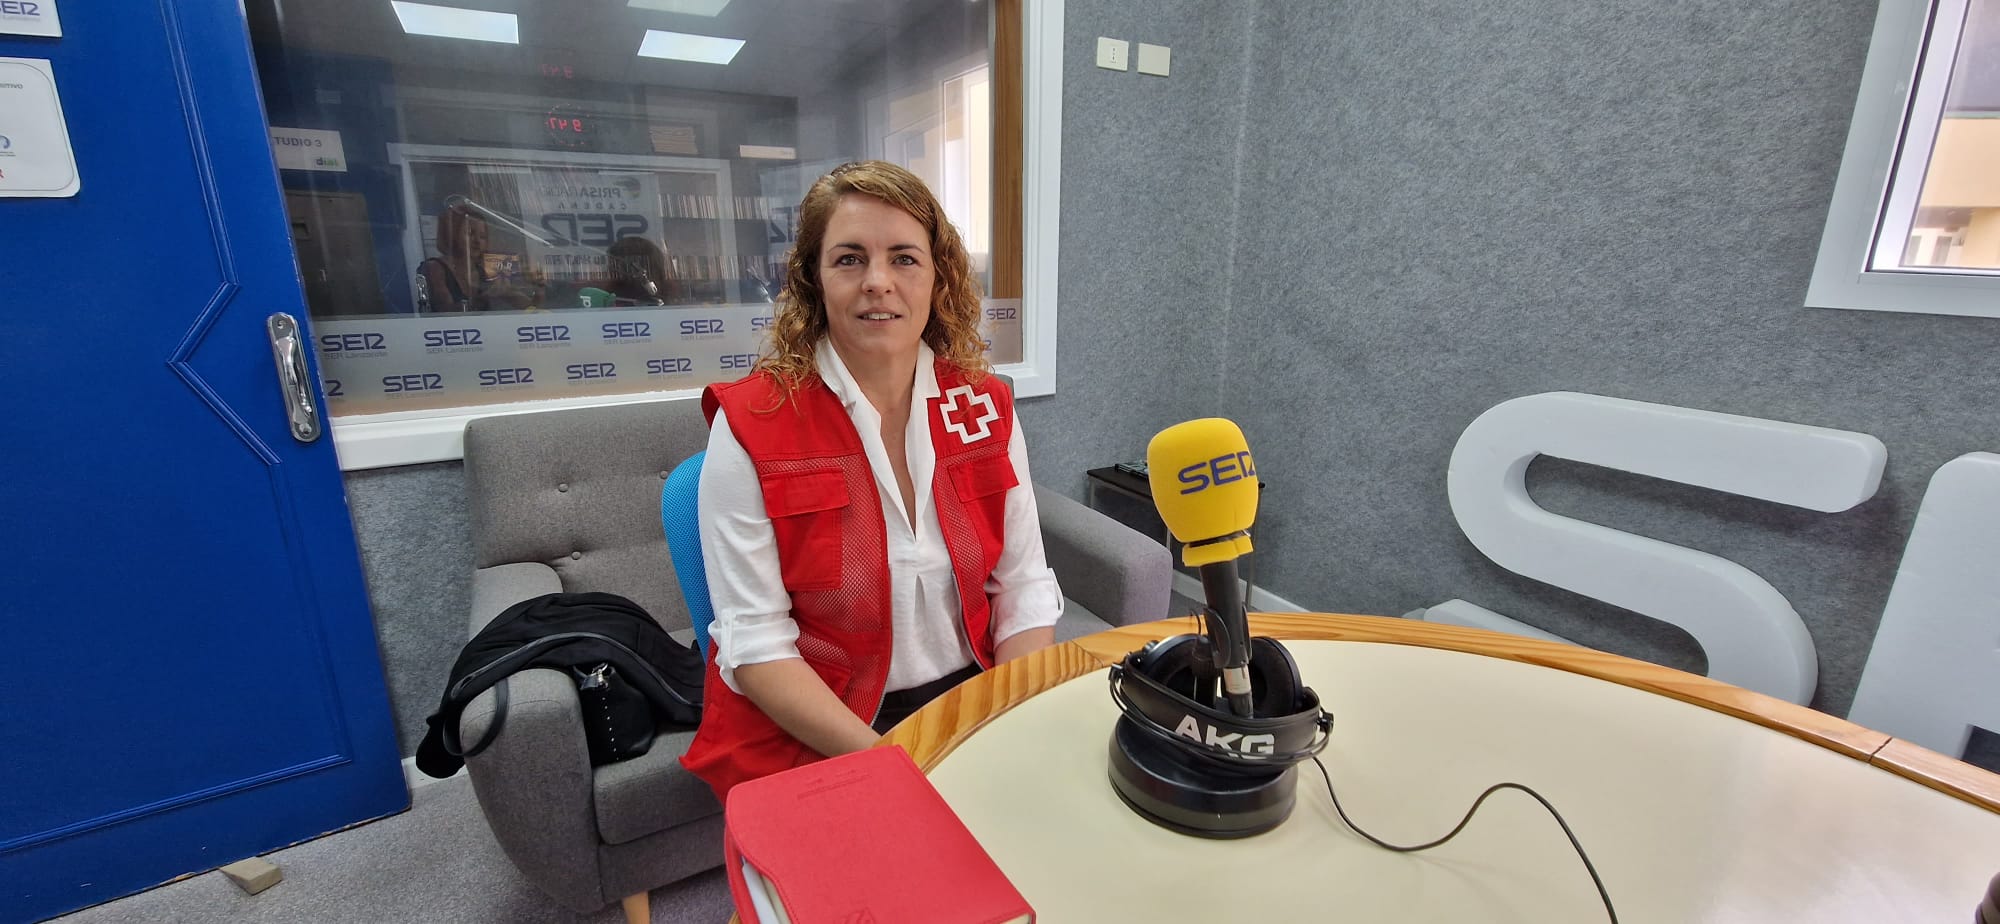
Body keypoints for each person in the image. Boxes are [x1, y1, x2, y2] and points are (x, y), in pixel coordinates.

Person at [679, 161, 1061, 799]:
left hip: (969, 695)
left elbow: (1021, 589)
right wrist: (901, 766)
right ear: (815, 279)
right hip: (823, 722)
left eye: (904, 258)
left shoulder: (984, 407)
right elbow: (757, 645)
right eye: (850, 259)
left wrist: (1009, 720)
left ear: (938, 276)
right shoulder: (753, 422)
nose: (877, 282)